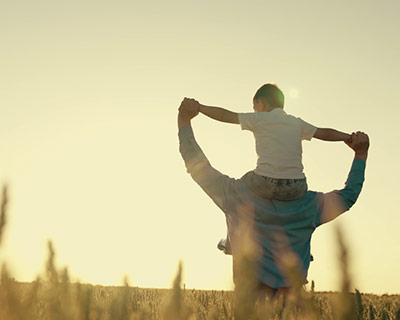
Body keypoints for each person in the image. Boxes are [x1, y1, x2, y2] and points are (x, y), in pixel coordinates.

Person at [177, 97, 368, 300]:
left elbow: (197, 165)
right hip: (292, 300)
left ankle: (233, 241)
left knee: (236, 213)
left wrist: (184, 121)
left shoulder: (235, 196)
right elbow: (349, 196)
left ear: (261, 103)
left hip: (249, 301)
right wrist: (360, 154)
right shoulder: (312, 207)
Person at [193, 84, 352, 254]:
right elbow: (324, 133)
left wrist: (200, 108)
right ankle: (298, 244)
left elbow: (225, 115)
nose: (254, 111)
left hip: (264, 182)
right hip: (296, 186)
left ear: (261, 103)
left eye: (254, 107)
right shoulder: (296, 123)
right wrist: (348, 137)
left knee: (233, 195)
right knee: (293, 209)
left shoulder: (259, 119)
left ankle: (231, 242)